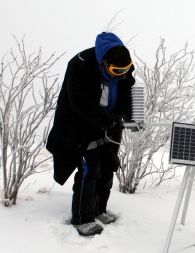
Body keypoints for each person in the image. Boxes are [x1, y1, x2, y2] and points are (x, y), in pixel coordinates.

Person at [46, 32, 135, 237]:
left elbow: (127, 92)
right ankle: (82, 219)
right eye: (115, 71)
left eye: (124, 71)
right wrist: (108, 121)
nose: (119, 75)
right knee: (90, 167)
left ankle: (99, 210)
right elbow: (80, 104)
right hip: (80, 125)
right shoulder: (81, 66)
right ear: (103, 62)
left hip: (109, 123)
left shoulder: (124, 68)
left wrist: (129, 116)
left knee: (108, 165)